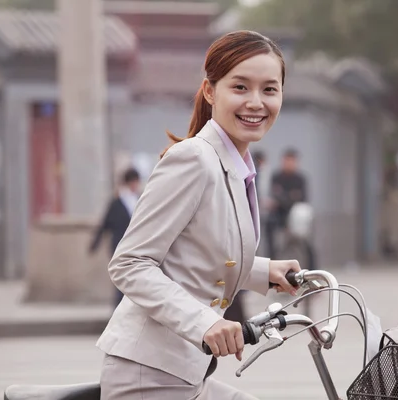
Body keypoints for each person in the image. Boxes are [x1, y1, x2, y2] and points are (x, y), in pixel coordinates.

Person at [97, 30, 301, 400]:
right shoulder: (193, 158)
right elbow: (129, 263)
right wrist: (205, 323)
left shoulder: (238, 165)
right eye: (240, 87)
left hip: (185, 371)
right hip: (149, 376)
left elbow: (200, 252)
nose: (256, 102)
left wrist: (264, 271)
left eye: (269, 90)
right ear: (211, 91)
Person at [89, 167, 142, 307]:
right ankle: (118, 312)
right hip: (119, 246)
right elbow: (104, 224)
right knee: (121, 281)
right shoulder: (117, 203)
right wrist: (95, 243)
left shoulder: (140, 199)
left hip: (136, 246)